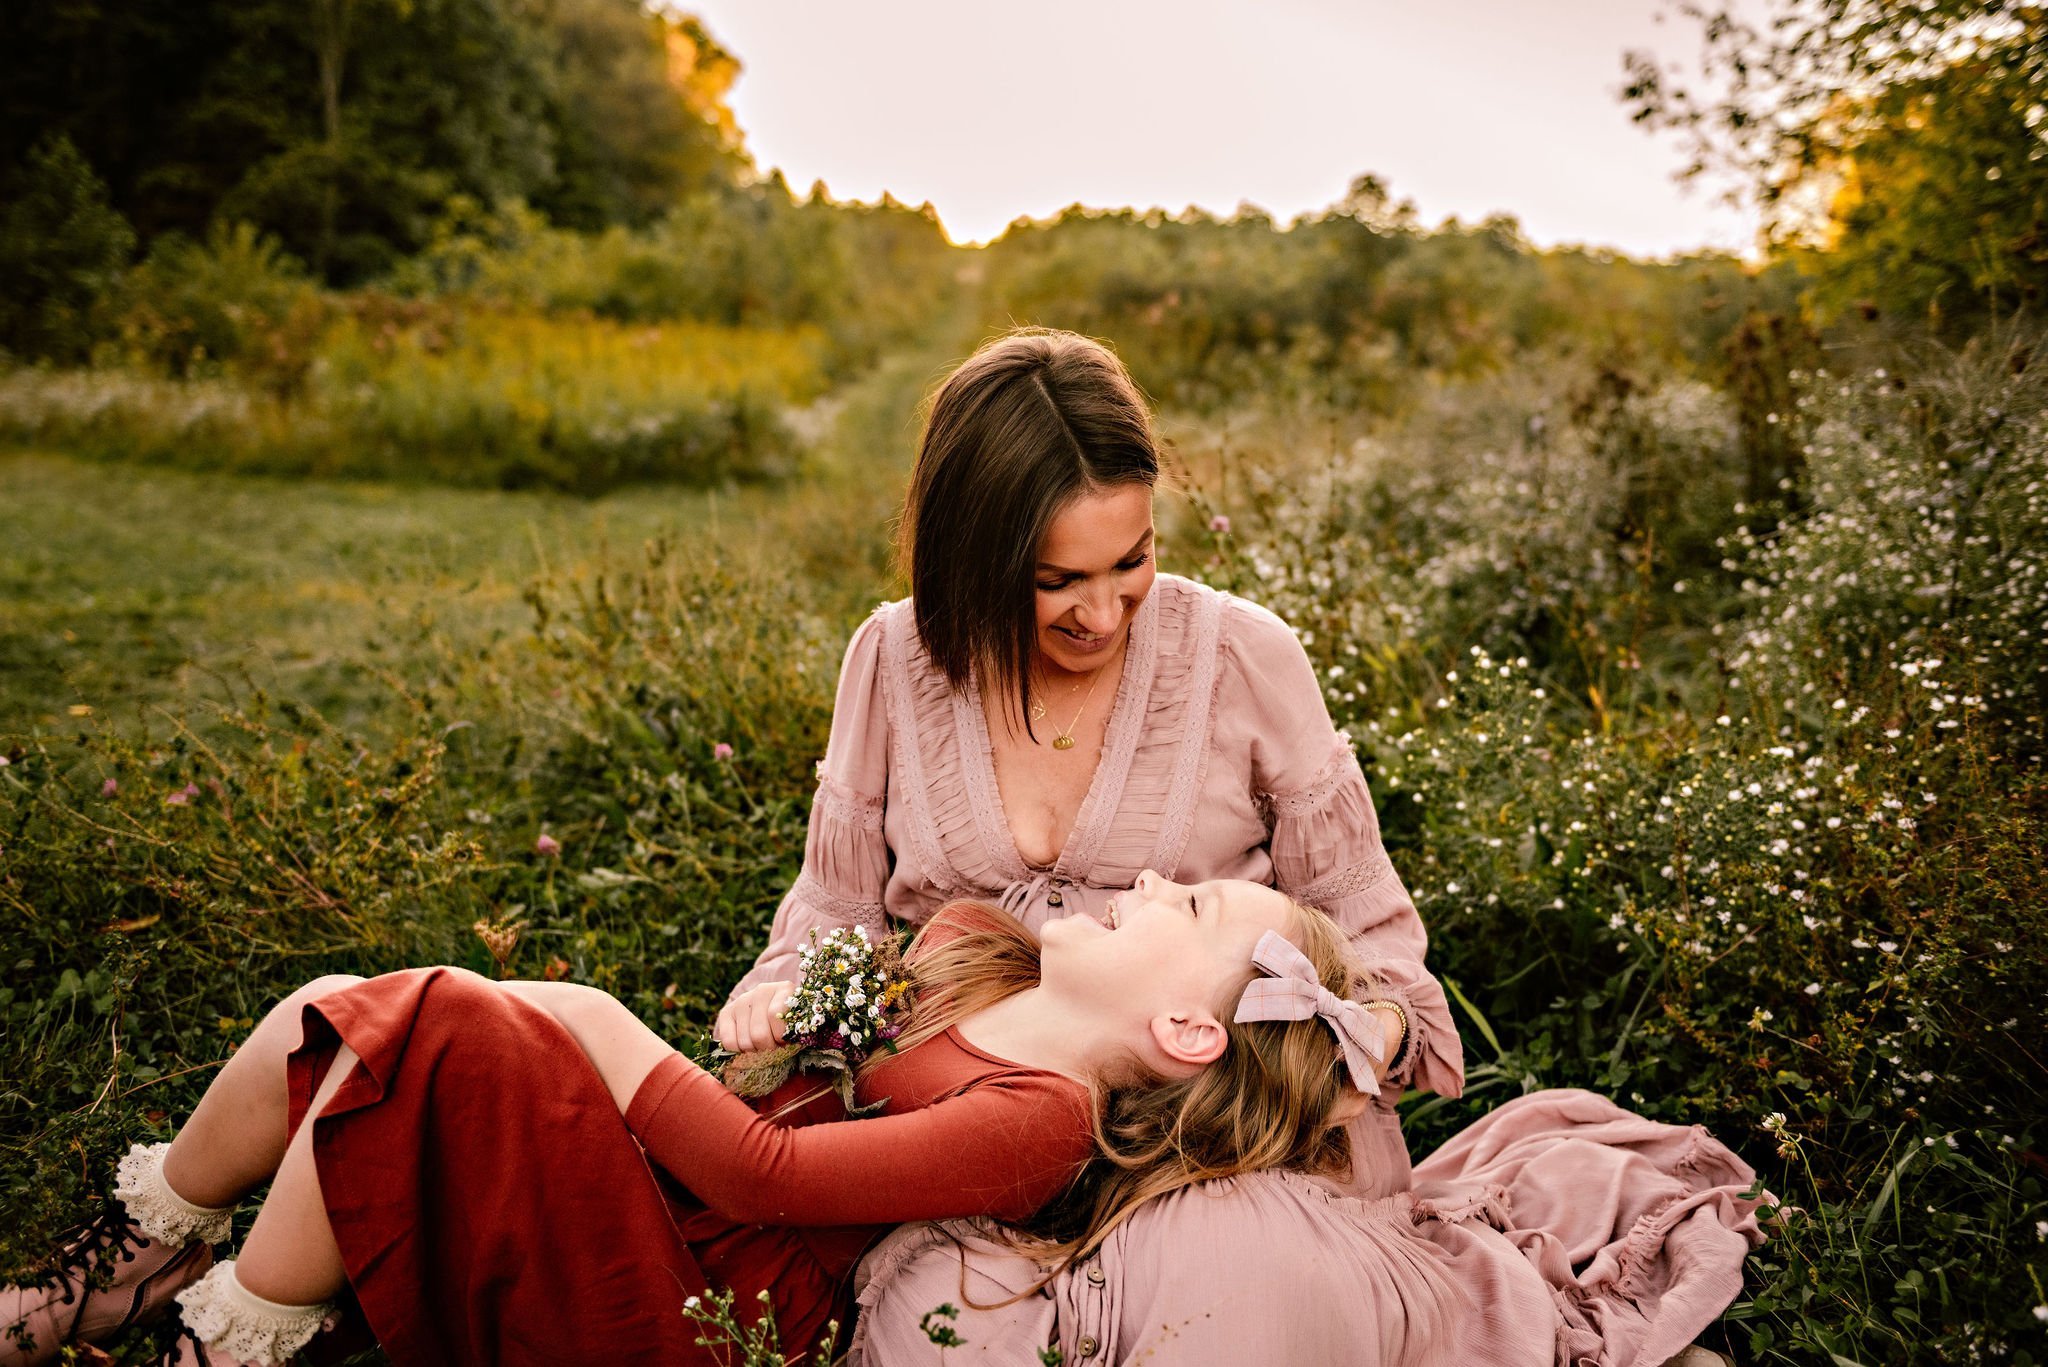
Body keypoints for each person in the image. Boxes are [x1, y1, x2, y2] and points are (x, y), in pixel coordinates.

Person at [3, 871, 1386, 1367]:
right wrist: (775, 1010)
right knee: (342, 1003)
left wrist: (598, 1019)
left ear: (1190, 1031)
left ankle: (224, 1341)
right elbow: (782, 1053)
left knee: (441, 1020)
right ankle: (139, 1255)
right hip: (666, 1201)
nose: (1150, 873)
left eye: (1190, 905)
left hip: (698, 1300)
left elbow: (765, 1165)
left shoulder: (1041, 1120)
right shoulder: (981, 953)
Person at [716, 326, 1463, 1201]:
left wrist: (1336, 1042)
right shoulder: (892, 658)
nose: (1104, 614)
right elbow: (836, 917)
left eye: (1133, 560)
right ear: (972, 560)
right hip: (970, 1146)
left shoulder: (1245, 656)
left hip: (1213, 1166)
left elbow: (1373, 948)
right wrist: (779, 1000)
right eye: (1056, 579)